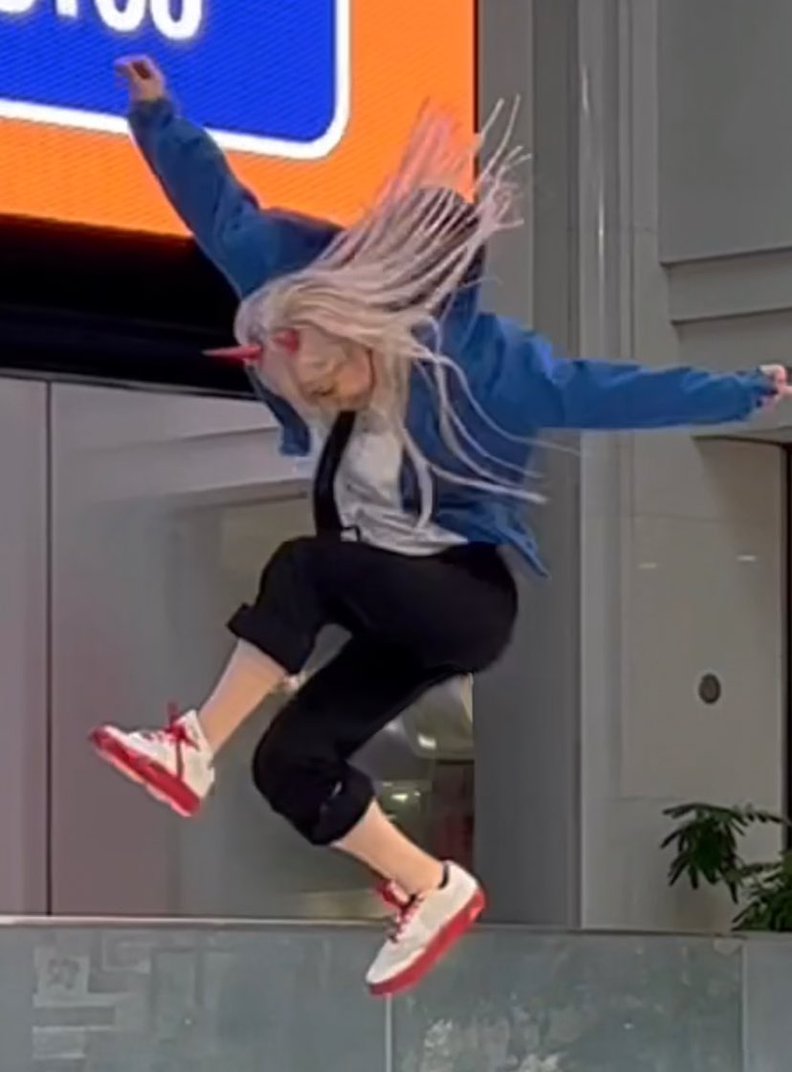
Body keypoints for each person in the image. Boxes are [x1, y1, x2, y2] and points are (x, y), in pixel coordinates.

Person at [91, 57, 792, 997]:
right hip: (391, 602)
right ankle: (431, 887)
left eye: (336, 378)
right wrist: (157, 115)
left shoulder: (487, 367)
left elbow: (606, 392)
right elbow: (222, 215)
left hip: (461, 595)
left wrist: (741, 393)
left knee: (306, 566)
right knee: (290, 762)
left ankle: (191, 745)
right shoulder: (307, 287)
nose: (322, 393)